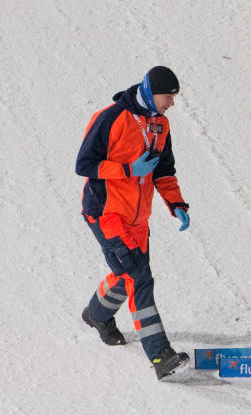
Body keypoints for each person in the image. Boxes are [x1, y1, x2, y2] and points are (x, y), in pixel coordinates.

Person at [76, 66, 191, 380]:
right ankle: (161, 356)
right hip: (107, 214)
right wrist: (127, 169)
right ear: (151, 92)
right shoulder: (111, 118)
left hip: (138, 218)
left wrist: (176, 204)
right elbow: (84, 164)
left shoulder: (161, 125)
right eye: (168, 96)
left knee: (127, 273)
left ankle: (97, 314)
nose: (172, 103)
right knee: (140, 279)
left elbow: (164, 171)